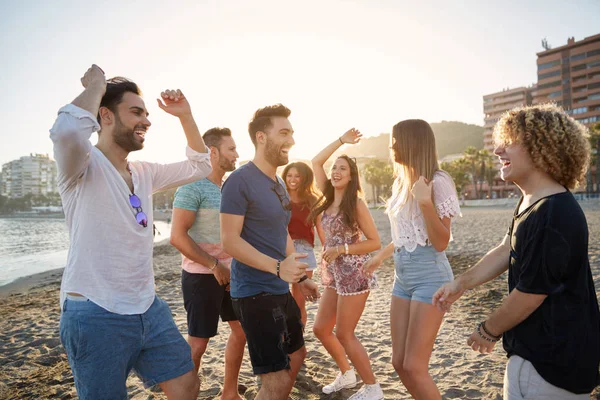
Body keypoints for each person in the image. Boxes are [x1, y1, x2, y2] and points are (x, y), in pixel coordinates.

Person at [53, 65, 212, 399]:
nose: (147, 120)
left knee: (186, 385)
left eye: (147, 113)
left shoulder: (144, 173)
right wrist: (97, 85)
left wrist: (185, 116)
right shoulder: (80, 165)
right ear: (106, 116)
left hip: (147, 308)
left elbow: (202, 166)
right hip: (95, 312)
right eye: (136, 112)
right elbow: (67, 131)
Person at [432, 104, 600, 399]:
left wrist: (488, 330)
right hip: (533, 354)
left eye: (510, 143)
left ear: (542, 148)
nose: (498, 151)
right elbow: (505, 250)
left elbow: (531, 294)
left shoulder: (555, 211)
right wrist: (461, 283)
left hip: (554, 363)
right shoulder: (532, 202)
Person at [220, 104, 320, 400]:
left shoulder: (277, 181)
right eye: (284, 133)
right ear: (261, 137)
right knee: (274, 379)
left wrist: (300, 277)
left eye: (291, 133)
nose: (291, 140)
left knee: (297, 354)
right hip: (254, 294)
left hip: (279, 290)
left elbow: (282, 233)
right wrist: (277, 268)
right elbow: (229, 241)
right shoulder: (239, 181)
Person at [363, 119, 461, 400]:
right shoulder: (400, 182)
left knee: (415, 366)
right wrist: (380, 256)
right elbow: (407, 236)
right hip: (402, 276)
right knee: (398, 362)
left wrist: (426, 202)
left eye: (397, 141)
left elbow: (441, 241)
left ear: (414, 143)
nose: (392, 146)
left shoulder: (438, 182)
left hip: (430, 274)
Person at [170, 127, 245, 400]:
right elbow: (177, 237)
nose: (237, 154)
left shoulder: (226, 187)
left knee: (241, 331)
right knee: (198, 345)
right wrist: (215, 265)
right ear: (213, 152)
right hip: (202, 276)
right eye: (232, 149)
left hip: (232, 273)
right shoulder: (191, 186)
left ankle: (230, 393)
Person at [310, 129, 383, 400]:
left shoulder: (356, 203)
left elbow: (374, 242)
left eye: (342, 168)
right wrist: (341, 142)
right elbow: (316, 162)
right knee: (320, 329)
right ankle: (347, 373)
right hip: (333, 275)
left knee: (344, 332)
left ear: (351, 176)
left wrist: (341, 248)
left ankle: (373, 387)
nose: (336, 171)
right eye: (335, 168)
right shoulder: (326, 198)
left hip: (354, 273)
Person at [281, 161, 325, 328]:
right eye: (289, 175)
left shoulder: (312, 200)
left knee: (299, 301)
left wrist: (328, 249)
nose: (292, 179)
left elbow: (320, 227)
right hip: (281, 250)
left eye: (297, 176)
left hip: (304, 252)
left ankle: (298, 337)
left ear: (304, 178)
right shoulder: (280, 197)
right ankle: (283, 336)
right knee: (281, 299)